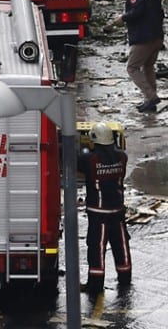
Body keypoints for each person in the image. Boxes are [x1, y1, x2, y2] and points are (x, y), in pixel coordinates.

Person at [78, 121, 131, 296]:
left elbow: (77, 160)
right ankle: (125, 278)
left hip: (98, 213)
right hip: (117, 210)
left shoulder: (90, 159)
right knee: (121, 244)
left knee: (97, 247)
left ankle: (95, 285)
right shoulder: (122, 157)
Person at [112, 0, 164, 112]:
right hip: (157, 35)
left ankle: (151, 96)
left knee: (132, 67)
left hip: (143, 38)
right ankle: (150, 101)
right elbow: (160, 12)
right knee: (148, 66)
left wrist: (122, 18)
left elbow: (137, 11)